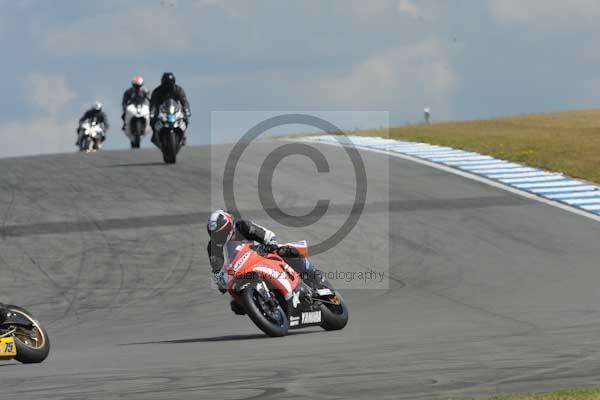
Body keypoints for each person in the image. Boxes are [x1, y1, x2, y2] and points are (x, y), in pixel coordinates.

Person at [206, 210, 323, 315]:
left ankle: (313, 275)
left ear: (229, 228)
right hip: (241, 270)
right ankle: (266, 307)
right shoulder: (213, 247)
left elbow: (267, 235)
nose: (217, 237)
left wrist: (270, 245)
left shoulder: (243, 226)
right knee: (237, 306)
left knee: (286, 251)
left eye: (220, 233)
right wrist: (220, 282)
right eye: (214, 234)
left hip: (262, 255)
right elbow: (217, 268)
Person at [149, 72, 191, 146]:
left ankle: (183, 135)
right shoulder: (157, 91)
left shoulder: (178, 89)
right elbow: (153, 103)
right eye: (166, 84)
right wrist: (152, 112)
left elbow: (184, 100)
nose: (168, 86)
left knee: (185, 119)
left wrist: (186, 109)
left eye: (170, 84)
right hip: (161, 111)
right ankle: (155, 135)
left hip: (175, 110)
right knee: (152, 120)